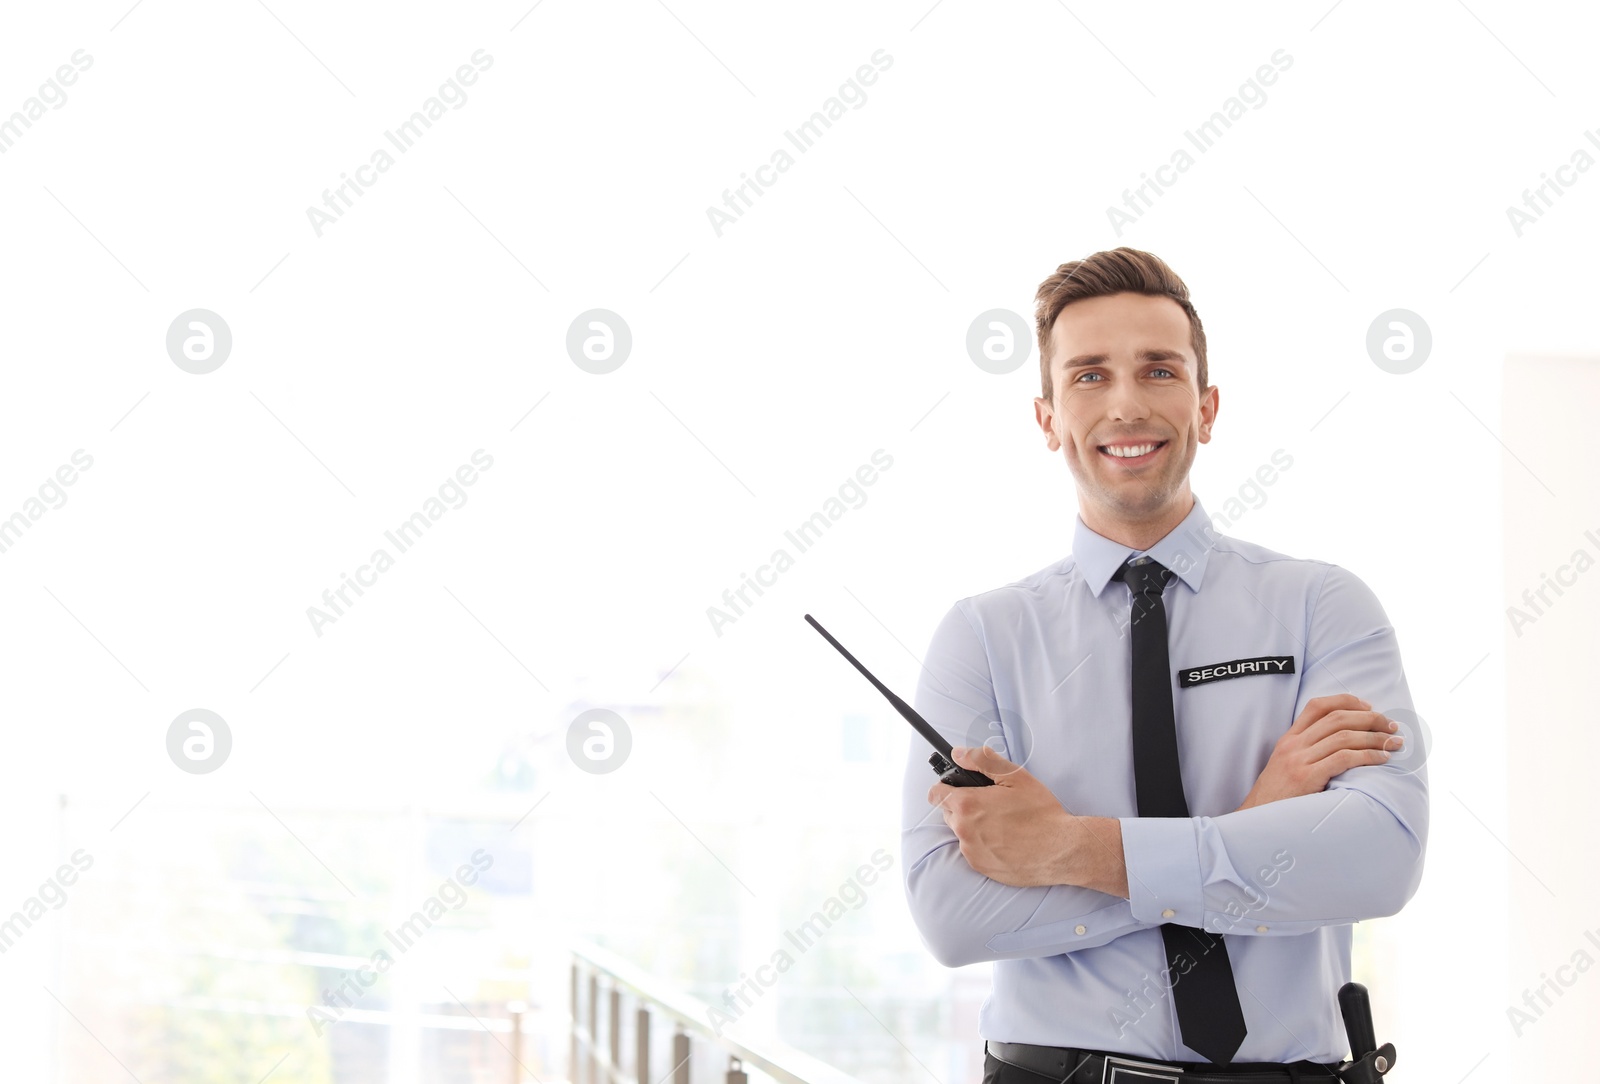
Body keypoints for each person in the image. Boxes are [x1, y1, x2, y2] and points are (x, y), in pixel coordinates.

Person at [900, 247, 1428, 1083]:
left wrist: (1066, 848)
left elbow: (1378, 857)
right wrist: (1258, 821)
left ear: (1206, 406)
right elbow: (954, 916)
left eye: (1158, 370)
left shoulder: (1323, 606)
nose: (1125, 404)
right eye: (1087, 376)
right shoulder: (984, 637)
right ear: (1046, 420)